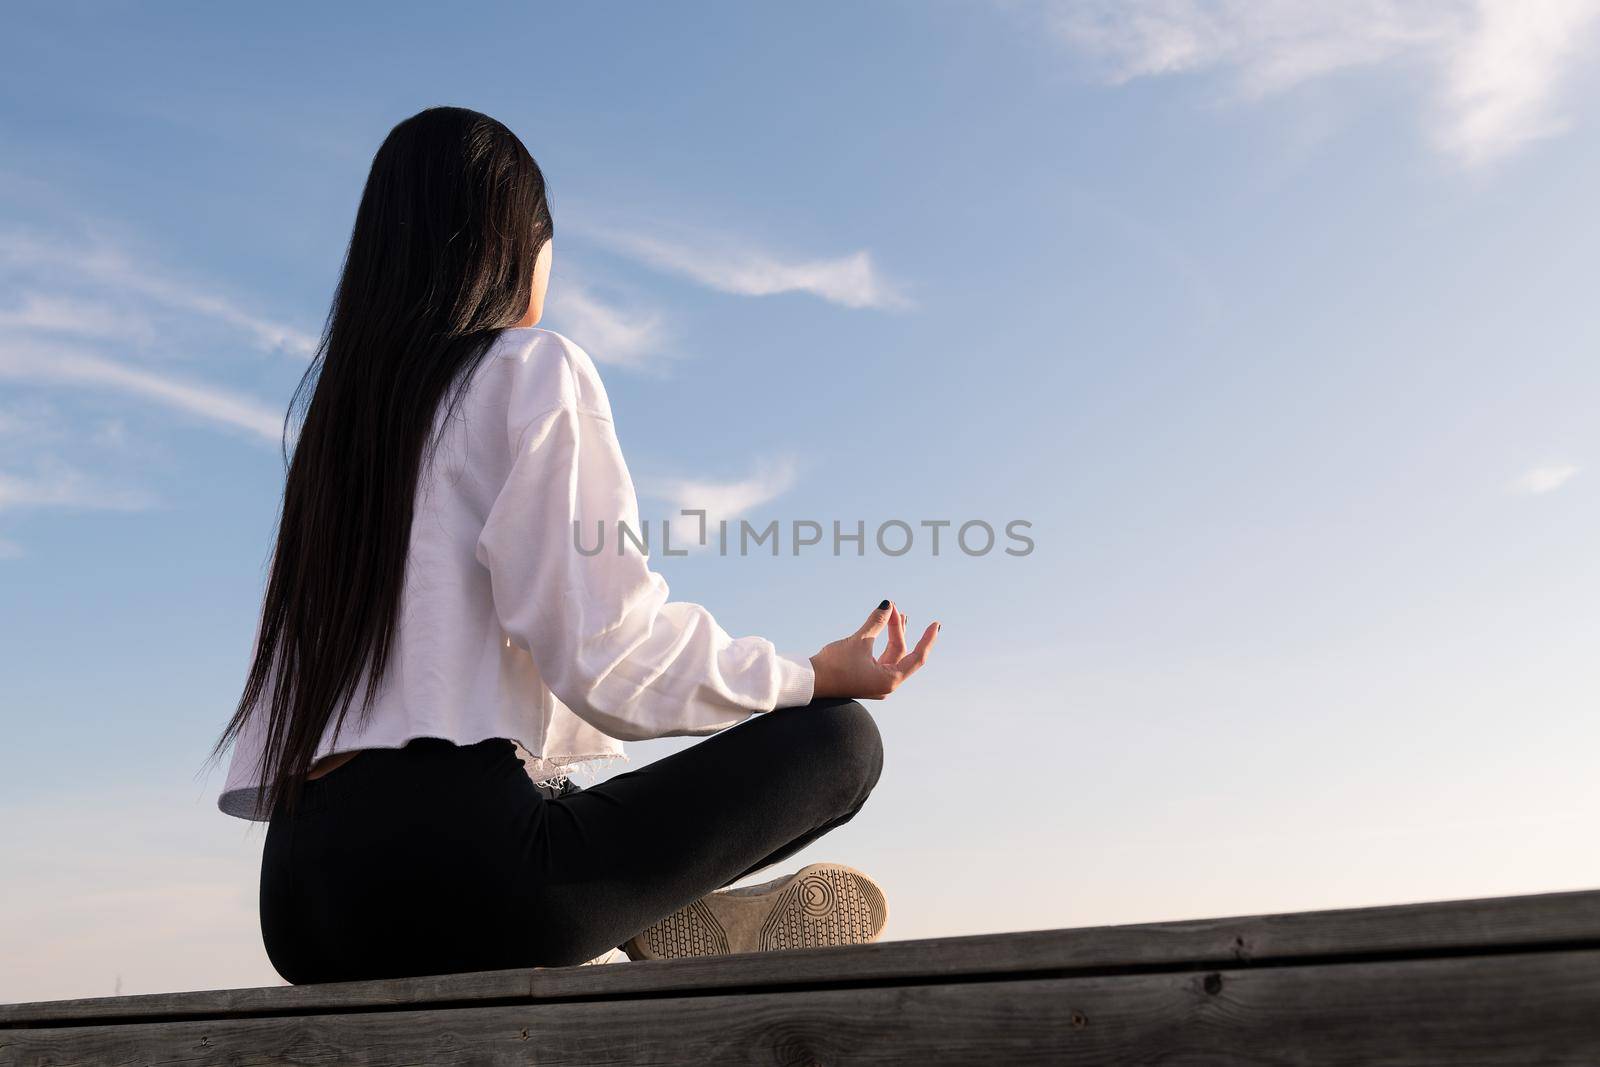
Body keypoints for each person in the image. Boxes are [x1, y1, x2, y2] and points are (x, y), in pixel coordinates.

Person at [205, 106, 939, 984]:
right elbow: (607, 651)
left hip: (298, 907)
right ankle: (657, 902)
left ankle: (665, 905)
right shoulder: (527, 369)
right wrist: (815, 674)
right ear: (518, 243)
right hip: (474, 882)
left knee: (544, 793)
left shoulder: (334, 441)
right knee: (841, 745)